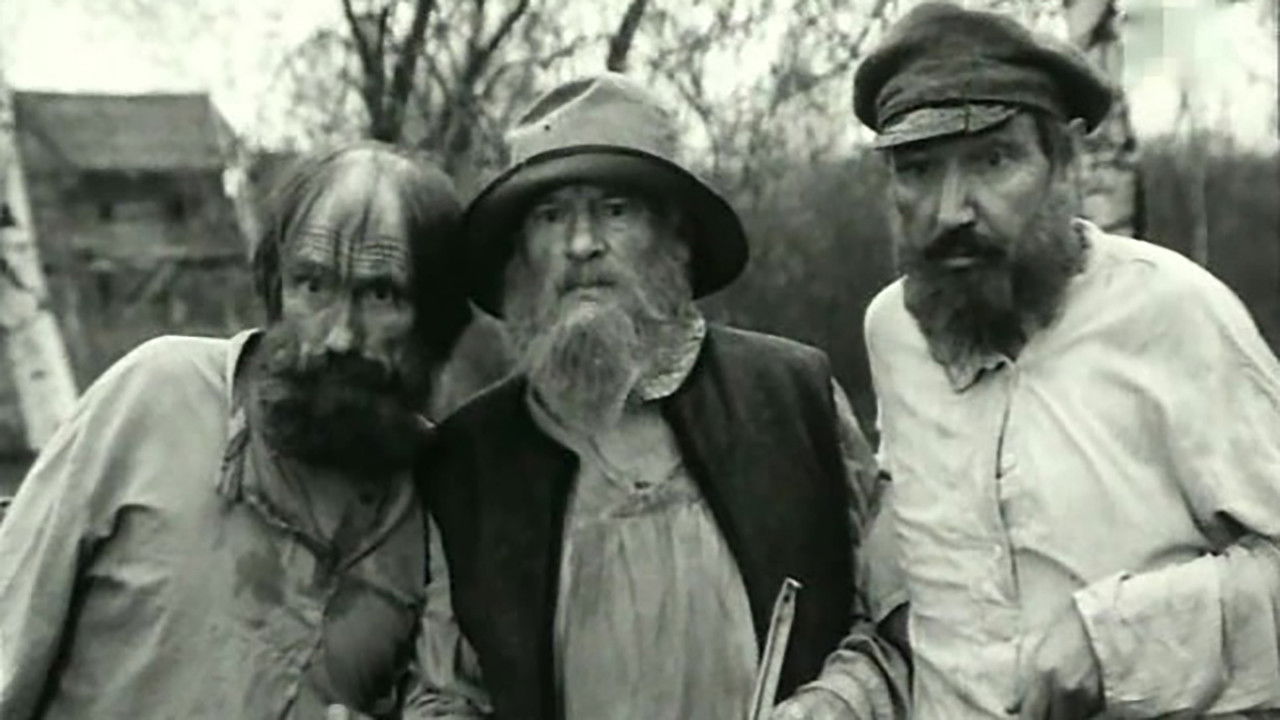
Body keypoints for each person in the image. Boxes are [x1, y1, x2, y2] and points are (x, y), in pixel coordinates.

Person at [405, 73, 909, 720]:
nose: (581, 244)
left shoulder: (793, 398)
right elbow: (442, 693)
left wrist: (837, 703)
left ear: (676, 236)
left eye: (615, 210)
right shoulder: (470, 460)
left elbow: (896, 626)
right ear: (520, 253)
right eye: (551, 216)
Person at [853, 4, 1280, 718]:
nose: (951, 211)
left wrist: (1115, 639)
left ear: (1065, 162)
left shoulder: (1175, 313)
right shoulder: (895, 332)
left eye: (993, 160)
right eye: (917, 170)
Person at [0, 142, 472, 719]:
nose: (339, 337)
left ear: (435, 320)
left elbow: (447, 700)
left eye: (380, 294)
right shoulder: (153, 396)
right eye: (313, 285)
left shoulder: (441, 502)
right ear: (276, 288)